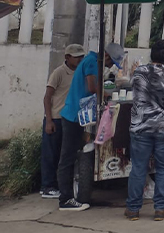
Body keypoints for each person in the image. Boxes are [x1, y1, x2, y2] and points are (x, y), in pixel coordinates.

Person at [125, 40, 164, 221]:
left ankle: (132, 209)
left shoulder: (137, 73)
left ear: (151, 54)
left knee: (138, 168)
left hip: (141, 127)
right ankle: (161, 208)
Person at [56, 42, 124, 212]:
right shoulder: (93, 62)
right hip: (73, 116)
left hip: (76, 115)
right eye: (110, 63)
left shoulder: (90, 60)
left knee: (72, 156)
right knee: (67, 158)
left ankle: (69, 195)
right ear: (106, 56)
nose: (110, 67)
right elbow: (92, 87)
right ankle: (65, 199)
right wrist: (110, 93)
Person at [40, 44, 85, 199]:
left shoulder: (80, 72)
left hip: (70, 118)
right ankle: (47, 186)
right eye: (76, 56)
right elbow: (47, 98)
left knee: (63, 154)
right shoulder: (59, 72)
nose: (79, 59)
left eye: (81, 56)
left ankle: (59, 185)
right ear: (67, 57)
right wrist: (49, 121)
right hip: (56, 118)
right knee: (50, 154)